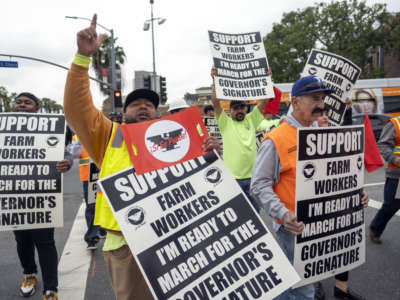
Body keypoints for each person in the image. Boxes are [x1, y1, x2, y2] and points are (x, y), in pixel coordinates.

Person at [64, 14, 221, 300]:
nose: (143, 107)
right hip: (127, 243)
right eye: (135, 104)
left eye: (149, 104)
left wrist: (212, 156)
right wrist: (82, 59)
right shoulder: (109, 136)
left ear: (158, 113)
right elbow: (77, 109)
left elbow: (204, 184)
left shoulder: (180, 139)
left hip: (178, 238)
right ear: (124, 113)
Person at [250, 76, 368, 300]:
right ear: (295, 102)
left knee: (302, 283)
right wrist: (283, 214)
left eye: (323, 99)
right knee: (303, 290)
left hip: (322, 223)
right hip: (295, 228)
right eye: (315, 99)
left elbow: (336, 173)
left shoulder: (321, 133)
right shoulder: (275, 139)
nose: (322, 104)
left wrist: (355, 193)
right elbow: (258, 184)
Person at [12, 92, 73, 300]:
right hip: (13, 198)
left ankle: (50, 287)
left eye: (27, 103)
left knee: (45, 242)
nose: (22, 105)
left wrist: (67, 163)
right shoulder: (4, 130)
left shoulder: (49, 128)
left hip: (42, 196)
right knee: (22, 242)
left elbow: (65, 153)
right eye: (18, 102)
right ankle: (29, 274)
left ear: (37, 108)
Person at [314, 101, 366, 300]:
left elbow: (350, 167)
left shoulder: (337, 141)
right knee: (317, 247)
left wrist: (360, 192)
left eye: (326, 114)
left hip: (340, 204)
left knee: (343, 244)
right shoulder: (302, 142)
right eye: (320, 114)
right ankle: (316, 284)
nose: (325, 117)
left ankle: (341, 289)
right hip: (315, 206)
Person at [210, 68, 267, 212]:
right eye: (236, 108)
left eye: (243, 107)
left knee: (256, 215)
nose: (240, 110)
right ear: (230, 110)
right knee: (238, 215)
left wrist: (267, 78)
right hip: (233, 179)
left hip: (254, 178)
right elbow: (216, 103)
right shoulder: (225, 123)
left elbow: (264, 101)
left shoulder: (251, 119)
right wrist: (215, 80)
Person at [68, 135, 106, 250]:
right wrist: (80, 140)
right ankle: (91, 238)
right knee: (92, 206)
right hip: (89, 177)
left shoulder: (104, 131)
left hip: (105, 173)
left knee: (105, 204)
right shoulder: (78, 136)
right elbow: (73, 153)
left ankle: (102, 229)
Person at [369, 115, 400, 244]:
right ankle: (375, 229)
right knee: (391, 205)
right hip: (397, 174)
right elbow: (382, 145)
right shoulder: (395, 123)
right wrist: (395, 159)